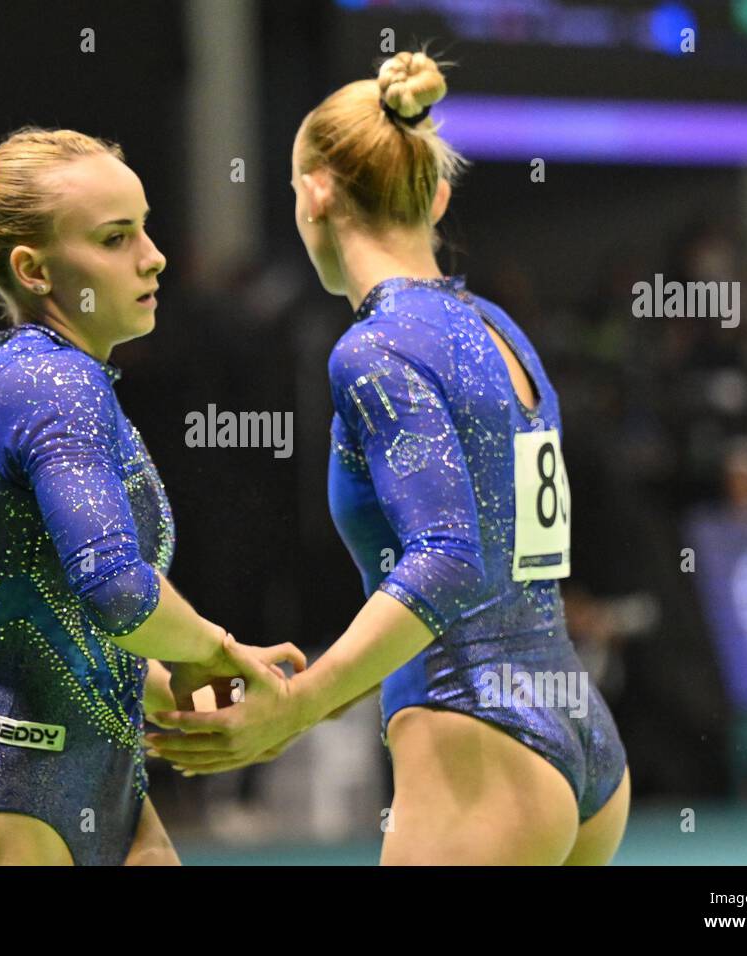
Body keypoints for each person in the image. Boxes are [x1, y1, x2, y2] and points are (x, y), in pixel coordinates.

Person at [147, 53, 631, 865]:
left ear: (314, 193)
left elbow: (446, 565)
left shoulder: (374, 350)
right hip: (578, 734)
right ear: (436, 196)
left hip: (477, 744)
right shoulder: (500, 329)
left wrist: (299, 705)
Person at [0, 128, 302, 866]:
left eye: (145, 227)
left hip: (105, 798)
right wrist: (215, 649)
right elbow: (116, 587)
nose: (153, 255)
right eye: (116, 238)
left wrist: (174, 685)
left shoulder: (70, 384)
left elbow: (62, 618)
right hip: (9, 804)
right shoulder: (47, 382)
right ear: (35, 268)